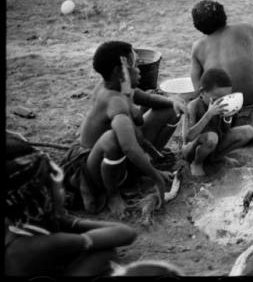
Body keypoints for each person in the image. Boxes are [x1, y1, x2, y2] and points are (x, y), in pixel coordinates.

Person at [60, 41, 187, 217]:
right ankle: (112, 193)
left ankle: (140, 170)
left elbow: (145, 99)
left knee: (170, 110)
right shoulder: (114, 101)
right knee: (112, 140)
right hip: (94, 167)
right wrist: (156, 176)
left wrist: (173, 102)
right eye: (134, 65)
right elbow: (129, 147)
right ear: (119, 73)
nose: (139, 69)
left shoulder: (118, 86)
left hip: (118, 160)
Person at [5, 133, 137, 276]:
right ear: (45, 194)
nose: (63, 191)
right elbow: (125, 233)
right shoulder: (44, 244)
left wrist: (63, 221)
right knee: (101, 256)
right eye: (60, 187)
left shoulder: (20, 224)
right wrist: (69, 222)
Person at [190, 0, 253, 127]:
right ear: (223, 15)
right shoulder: (247, 29)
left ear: (197, 26)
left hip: (226, 111)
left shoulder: (198, 47)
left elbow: (198, 88)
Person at [182, 68, 253, 177]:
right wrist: (209, 114)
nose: (222, 102)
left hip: (213, 145)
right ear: (203, 92)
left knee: (248, 131)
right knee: (212, 137)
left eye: (225, 98)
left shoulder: (222, 107)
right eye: (217, 98)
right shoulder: (193, 106)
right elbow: (187, 138)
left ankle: (218, 157)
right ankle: (197, 163)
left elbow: (226, 131)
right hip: (192, 151)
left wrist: (229, 115)